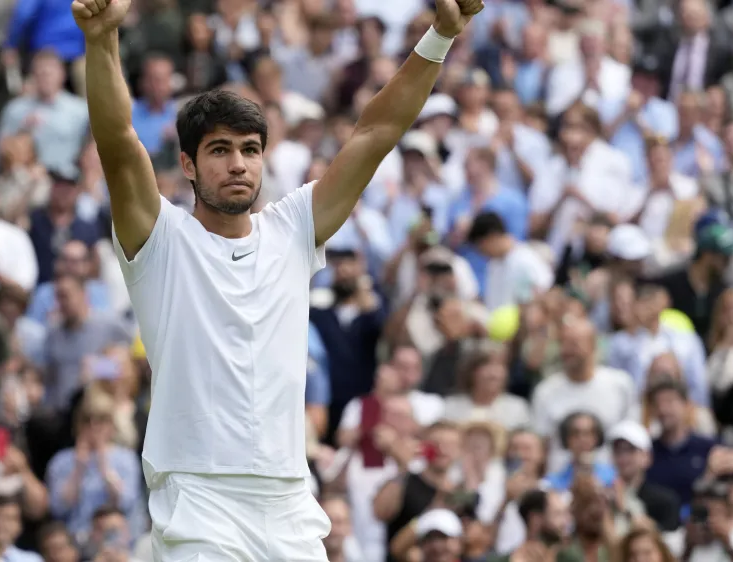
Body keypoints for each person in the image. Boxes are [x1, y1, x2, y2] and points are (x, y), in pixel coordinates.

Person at [70, 0, 484, 559]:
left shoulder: (292, 228)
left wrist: (441, 33)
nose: (238, 163)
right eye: (219, 150)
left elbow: (377, 130)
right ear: (188, 165)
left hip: (291, 503)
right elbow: (117, 140)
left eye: (249, 150)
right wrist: (102, 41)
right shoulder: (159, 238)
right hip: (199, 503)